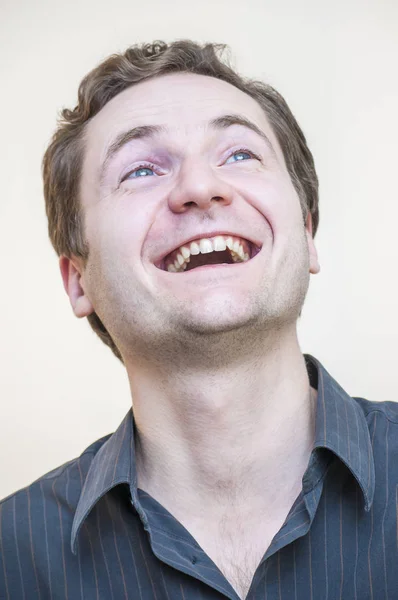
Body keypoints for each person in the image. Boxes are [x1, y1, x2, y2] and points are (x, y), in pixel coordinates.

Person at [0, 39, 396, 600]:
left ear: (306, 234)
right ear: (77, 279)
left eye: (239, 154)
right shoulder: (9, 559)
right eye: (139, 169)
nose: (200, 187)